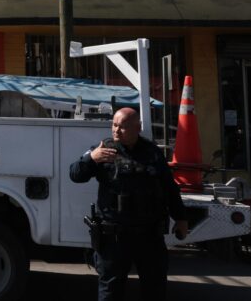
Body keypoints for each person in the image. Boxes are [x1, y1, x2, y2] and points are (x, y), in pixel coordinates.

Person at [69, 107, 190, 301]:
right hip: (115, 237)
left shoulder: (152, 153)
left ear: (137, 128)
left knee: (155, 288)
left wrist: (181, 218)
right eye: (114, 125)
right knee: (111, 291)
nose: (116, 130)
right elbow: (75, 174)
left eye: (122, 127)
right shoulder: (103, 149)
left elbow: (169, 188)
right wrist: (91, 159)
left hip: (149, 236)